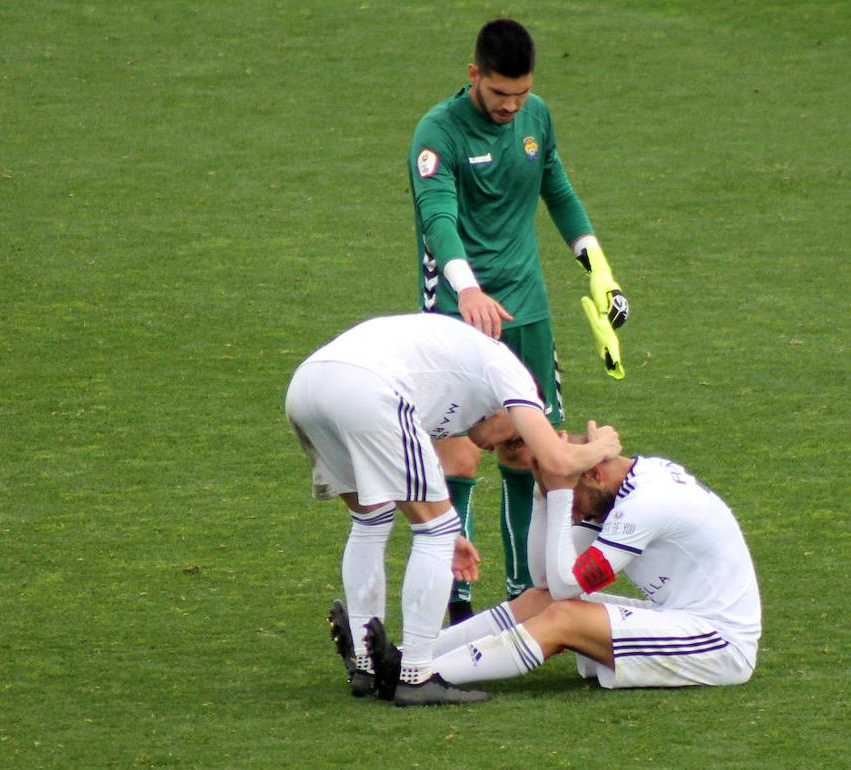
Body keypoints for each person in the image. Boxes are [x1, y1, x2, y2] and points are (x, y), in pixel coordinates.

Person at [408, 18, 630, 621]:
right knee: (458, 457)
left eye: (521, 94)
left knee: (527, 454)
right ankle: (454, 606)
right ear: (474, 74)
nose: (511, 106)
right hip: (458, 314)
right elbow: (438, 219)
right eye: (500, 93)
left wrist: (597, 267)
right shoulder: (439, 133)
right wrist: (469, 289)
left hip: (526, 312)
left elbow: (555, 187)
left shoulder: (536, 117)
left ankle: (515, 599)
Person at [285, 313, 620, 706]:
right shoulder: (516, 377)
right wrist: (603, 448)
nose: (499, 449)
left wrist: (445, 530)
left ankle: (366, 667)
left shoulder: (453, 388)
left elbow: (402, 477)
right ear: (515, 411)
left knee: (371, 519)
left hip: (308, 386)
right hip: (365, 386)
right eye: (513, 439)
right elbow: (559, 461)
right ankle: (416, 676)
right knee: (435, 531)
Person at [357, 444, 761, 694]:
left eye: (574, 496)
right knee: (541, 601)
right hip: (682, 619)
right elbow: (546, 581)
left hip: (720, 644)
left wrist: (562, 495)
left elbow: (567, 586)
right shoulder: (624, 483)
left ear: (594, 474)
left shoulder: (646, 505)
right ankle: (408, 658)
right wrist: (543, 492)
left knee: (565, 614)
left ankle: (419, 676)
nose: (575, 512)